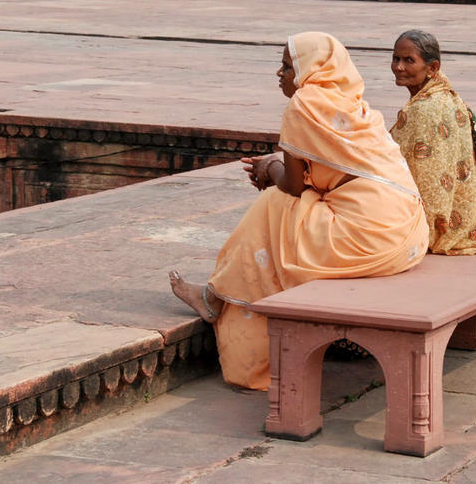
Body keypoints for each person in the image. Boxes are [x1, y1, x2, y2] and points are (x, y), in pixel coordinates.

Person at [169, 31, 429, 391]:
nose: (280, 74)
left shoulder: (305, 104)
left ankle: (216, 297)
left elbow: (291, 186)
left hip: (367, 239)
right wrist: (277, 167)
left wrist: (270, 168)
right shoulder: (351, 100)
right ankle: (215, 294)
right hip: (406, 233)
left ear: (311, 72)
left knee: (275, 205)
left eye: (288, 67)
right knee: (285, 217)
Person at [389, 29, 476, 256]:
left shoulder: (425, 109)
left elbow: (427, 180)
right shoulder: (445, 95)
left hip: (439, 223)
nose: (399, 67)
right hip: (468, 213)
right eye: (396, 58)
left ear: (432, 68)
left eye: (408, 60)